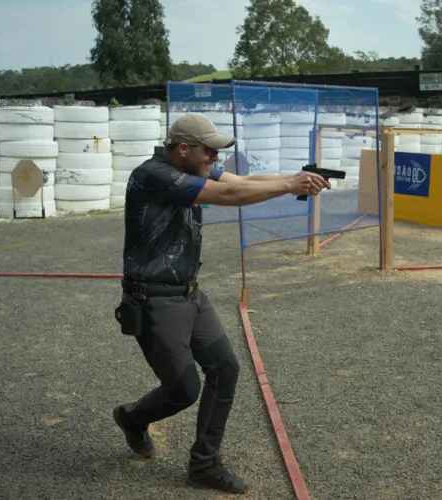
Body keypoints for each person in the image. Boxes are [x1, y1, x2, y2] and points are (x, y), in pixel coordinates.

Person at [111, 113, 330, 494]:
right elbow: (229, 196)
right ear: (184, 149)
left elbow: (243, 182)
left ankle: (204, 464)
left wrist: (295, 177)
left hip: (189, 293)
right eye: (209, 151)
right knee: (183, 391)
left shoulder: (190, 168)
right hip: (154, 301)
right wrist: (290, 185)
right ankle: (132, 418)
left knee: (225, 369)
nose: (215, 157)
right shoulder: (155, 175)